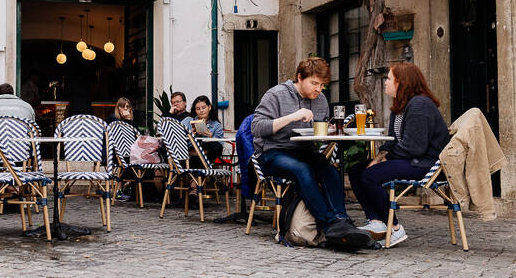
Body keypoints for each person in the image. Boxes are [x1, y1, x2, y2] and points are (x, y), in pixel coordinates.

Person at [251, 58, 373, 249]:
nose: (318, 89)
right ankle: (330, 225)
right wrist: (293, 116)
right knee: (303, 170)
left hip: (304, 150)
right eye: (314, 83)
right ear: (300, 78)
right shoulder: (276, 95)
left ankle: (340, 220)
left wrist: (330, 130)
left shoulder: (321, 100)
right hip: (273, 152)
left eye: (322, 85)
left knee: (329, 169)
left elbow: (318, 131)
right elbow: (257, 128)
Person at [348, 62, 450, 247]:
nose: (385, 82)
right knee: (356, 170)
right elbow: (394, 140)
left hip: (426, 164)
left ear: (401, 82)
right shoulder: (401, 105)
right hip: (410, 159)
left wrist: (385, 158)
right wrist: (380, 156)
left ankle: (394, 227)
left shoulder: (420, 104)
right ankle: (377, 222)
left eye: (389, 79)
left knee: (370, 176)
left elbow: (414, 147)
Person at [183, 95, 224, 161]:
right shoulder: (188, 120)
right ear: (195, 110)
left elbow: (219, 146)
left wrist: (210, 137)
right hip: (189, 151)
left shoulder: (217, 125)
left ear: (209, 107)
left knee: (217, 145)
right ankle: (194, 154)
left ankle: (196, 154)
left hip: (206, 156)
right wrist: (190, 135)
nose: (201, 110)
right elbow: (177, 135)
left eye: (203, 107)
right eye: (198, 109)